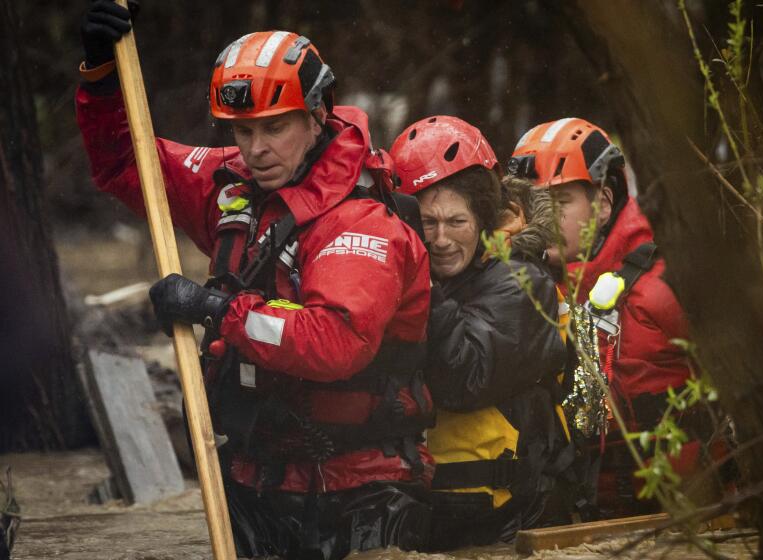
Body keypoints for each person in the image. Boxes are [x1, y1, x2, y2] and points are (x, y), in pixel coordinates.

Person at [77, 4, 434, 558]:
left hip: (359, 491)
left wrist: (215, 310)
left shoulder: (363, 221)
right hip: (255, 480)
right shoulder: (234, 185)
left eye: (274, 127)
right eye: (242, 130)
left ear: (317, 115)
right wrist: (101, 77)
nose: (256, 148)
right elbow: (128, 166)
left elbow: (336, 343)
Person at [509, 118, 721, 518]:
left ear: (603, 204)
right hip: (583, 519)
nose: (541, 221)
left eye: (558, 204)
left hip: (688, 514)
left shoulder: (667, 284)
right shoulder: (519, 287)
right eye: (530, 205)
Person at [390, 116, 570, 549]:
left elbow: (464, 377)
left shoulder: (523, 283)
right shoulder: (423, 279)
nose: (439, 239)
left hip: (509, 522)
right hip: (433, 515)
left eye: (456, 222)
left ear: (485, 218)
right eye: (426, 223)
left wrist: (418, 281)